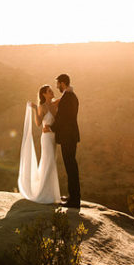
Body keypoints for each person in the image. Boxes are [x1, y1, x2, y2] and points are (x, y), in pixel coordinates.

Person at [16, 85, 61, 204]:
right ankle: (43, 193)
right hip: (46, 138)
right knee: (49, 161)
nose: (52, 92)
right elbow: (38, 123)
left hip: (54, 137)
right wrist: (36, 109)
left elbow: (65, 97)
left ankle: (50, 193)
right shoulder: (42, 107)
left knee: (51, 162)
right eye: (49, 91)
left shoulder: (56, 103)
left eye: (52, 90)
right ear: (44, 94)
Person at [50, 73, 81, 208]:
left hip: (68, 137)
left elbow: (62, 119)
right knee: (71, 166)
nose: (57, 87)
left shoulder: (67, 98)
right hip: (71, 136)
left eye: (58, 84)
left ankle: (74, 200)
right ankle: (73, 196)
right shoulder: (70, 96)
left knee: (71, 167)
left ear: (63, 83)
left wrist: (51, 127)